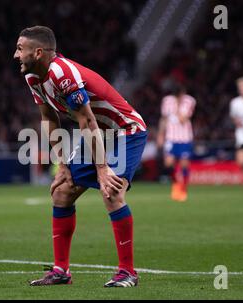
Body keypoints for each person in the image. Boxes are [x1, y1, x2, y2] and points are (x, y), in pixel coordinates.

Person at [14, 26, 147, 287]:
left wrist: (101, 168)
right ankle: (60, 271)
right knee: (61, 190)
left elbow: (86, 120)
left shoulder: (62, 74)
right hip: (99, 134)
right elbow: (48, 117)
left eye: (20, 49)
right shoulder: (33, 77)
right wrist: (62, 165)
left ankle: (127, 272)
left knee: (111, 190)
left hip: (125, 131)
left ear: (38, 52)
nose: (15, 55)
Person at [157, 84, 196, 201]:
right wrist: (160, 135)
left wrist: (178, 106)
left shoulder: (189, 101)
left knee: (184, 164)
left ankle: (183, 188)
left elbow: (183, 119)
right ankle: (176, 183)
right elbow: (163, 119)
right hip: (171, 137)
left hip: (184, 138)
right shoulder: (167, 101)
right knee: (168, 163)